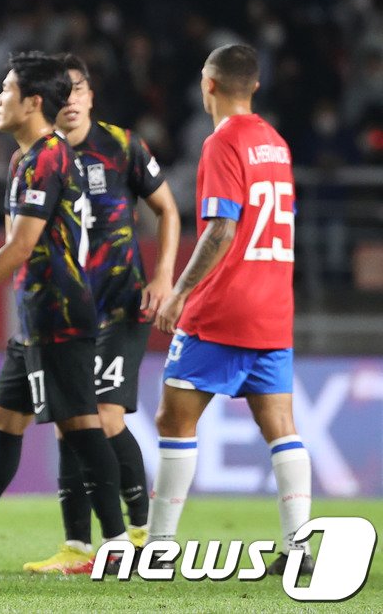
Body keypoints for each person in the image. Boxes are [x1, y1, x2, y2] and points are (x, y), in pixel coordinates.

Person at [0, 52, 128, 574]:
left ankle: (118, 547)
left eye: (6, 89)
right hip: (37, 315)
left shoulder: (47, 158)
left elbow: (21, 247)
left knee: (82, 425)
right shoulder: (26, 158)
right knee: (3, 421)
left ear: (33, 101)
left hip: (60, 312)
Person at [143, 44, 312, 575]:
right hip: (273, 307)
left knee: (174, 416)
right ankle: (298, 548)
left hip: (223, 307)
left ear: (207, 85)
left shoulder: (222, 144)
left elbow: (221, 228)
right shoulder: (276, 145)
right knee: (281, 425)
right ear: (254, 86)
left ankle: (160, 546)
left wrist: (180, 291)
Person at [23, 54, 181, 574]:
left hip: (121, 305)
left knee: (106, 417)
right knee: (69, 424)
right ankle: (77, 546)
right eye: (60, 93)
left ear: (91, 96)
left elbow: (168, 210)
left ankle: (141, 532)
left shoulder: (122, 145)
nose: (69, 101)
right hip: (69, 311)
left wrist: (163, 278)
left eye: (78, 91)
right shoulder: (42, 157)